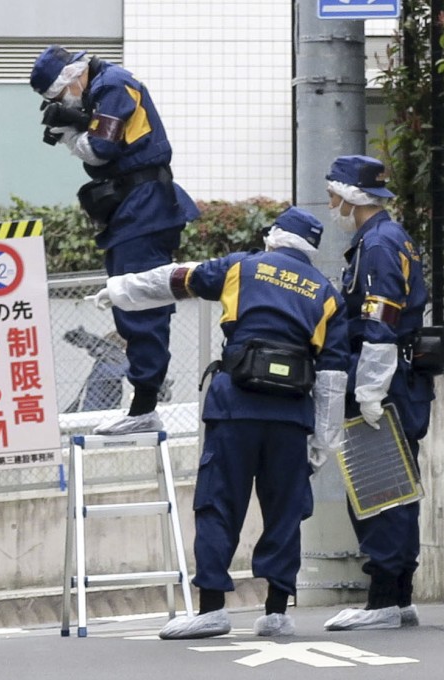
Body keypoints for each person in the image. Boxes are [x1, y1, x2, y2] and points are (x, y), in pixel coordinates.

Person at [91, 207, 350, 639]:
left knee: (218, 505)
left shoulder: (242, 268)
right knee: (285, 512)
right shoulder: (327, 294)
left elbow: (176, 279)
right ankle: (276, 612)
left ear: (274, 238)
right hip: (290, 417)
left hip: (236, 408)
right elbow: (331, 376)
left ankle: (211, 608)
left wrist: (119, 291)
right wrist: (323, 441)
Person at [30, 45, 200, 436]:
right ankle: (142, 404)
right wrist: (78, 124)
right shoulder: (102, 88)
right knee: (130, 301)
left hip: (145, 208)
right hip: (134, 208)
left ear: (71, 78)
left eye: (59, 97)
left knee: (141, 302)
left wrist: (73, 129)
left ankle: (144, 406)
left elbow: (100, 149)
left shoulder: (113, 84)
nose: (63, 102)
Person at [321, 155, 437, 631]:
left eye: (333, 194)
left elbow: (380, 323)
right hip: (401, 379)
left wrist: (369, 390)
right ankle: (398, 596)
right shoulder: (390, 237)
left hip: (385, 380)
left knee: (378, 487)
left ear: (350, 196)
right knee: (397, 488)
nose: (331, 202)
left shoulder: (378, 245)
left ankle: (383, 601)